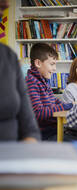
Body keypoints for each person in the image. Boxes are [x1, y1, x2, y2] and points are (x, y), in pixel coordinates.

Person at [0, 0, 41, 142]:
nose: (6, 4)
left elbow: (30, 129)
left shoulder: (8, 57)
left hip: (14, 155)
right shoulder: (33, 81)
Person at [26, 43, 73, 140]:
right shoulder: (31, 82)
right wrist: (63, 107)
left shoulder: (43, 81)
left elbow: (54, 101)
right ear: (38, 63)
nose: (55, 69)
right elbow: (37, 113)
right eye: (52, 64)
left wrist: (69, 105)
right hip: (43, 135)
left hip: (54, 129)